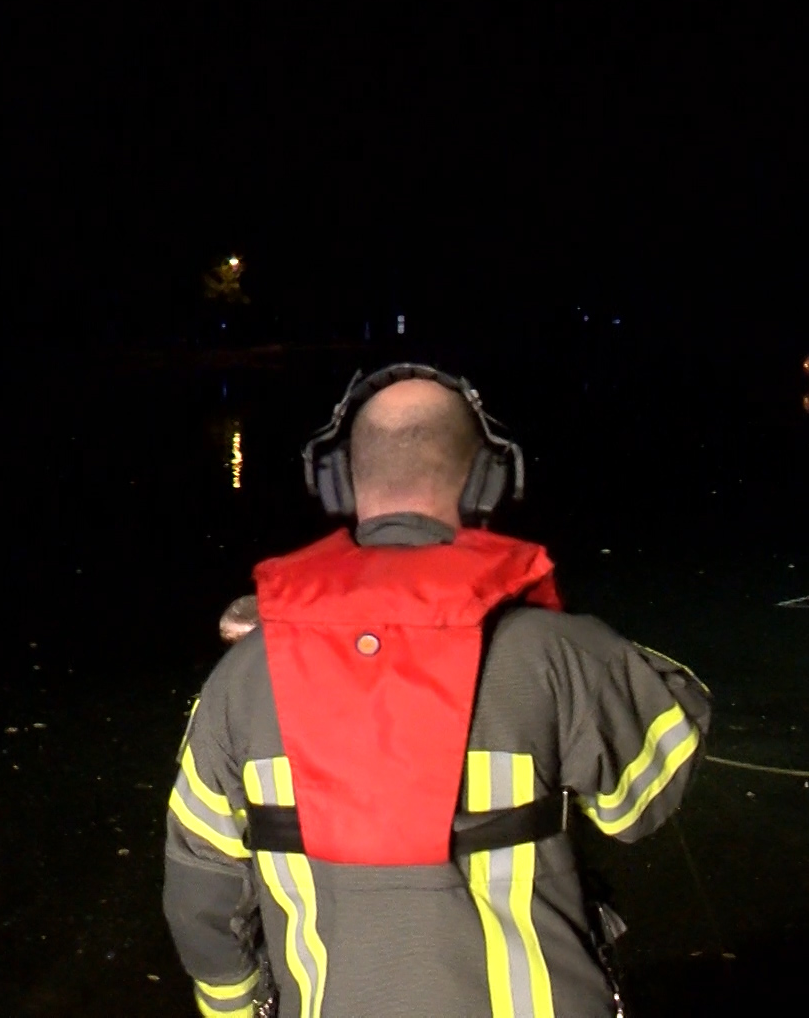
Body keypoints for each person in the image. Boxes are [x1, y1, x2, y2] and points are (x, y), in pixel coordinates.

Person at [163, 364, 711, 1018]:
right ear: (487, 483)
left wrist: (232, 1006)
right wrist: (577, 641)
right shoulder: (553, 653)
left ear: (336, 481)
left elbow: (200, 892)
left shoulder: (241, 679)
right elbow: (647, 793)